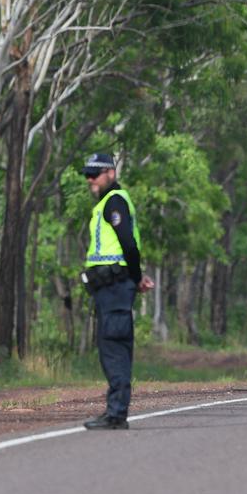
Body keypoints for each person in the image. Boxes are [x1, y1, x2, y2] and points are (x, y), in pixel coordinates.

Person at [80, 153, 155, 430]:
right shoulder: (106, 203)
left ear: (110, 173)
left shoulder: (115, 201)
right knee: (111, 346)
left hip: (115, 285)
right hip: (111, 286)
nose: (90, 179)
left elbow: (128, 244)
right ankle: (115, 410)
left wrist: (135, 278)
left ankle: (116, 413)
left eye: (95, 174)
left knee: (114, 347)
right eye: (87, 174)